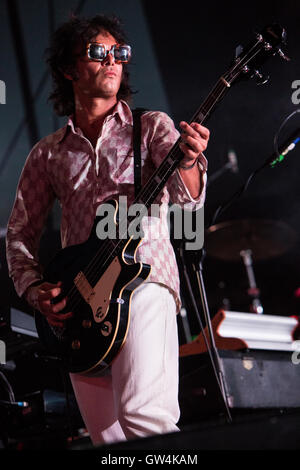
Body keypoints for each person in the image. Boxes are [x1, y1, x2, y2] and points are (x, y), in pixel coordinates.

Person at [6, 14, 210, 445]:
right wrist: (34, 288)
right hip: (80, 308)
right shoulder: (48, 155)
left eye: (120, 52)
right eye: (98, 53)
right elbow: (19, 233)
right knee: (109, 441)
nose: (113, 61)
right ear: (68, 69)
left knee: (146, 420)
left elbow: (187, 201)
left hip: (144, 281)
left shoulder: (150, 126)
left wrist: (190, 162)